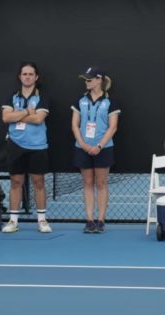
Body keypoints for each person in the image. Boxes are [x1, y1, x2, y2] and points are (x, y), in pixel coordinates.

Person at [0, 61, 52, 233]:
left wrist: (17, 116)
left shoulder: (42, 96)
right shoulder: (11, 96)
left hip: (37, 146)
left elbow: (38, 119)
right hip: (15, 145)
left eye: (31, 74)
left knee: (38, 182)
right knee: (16, 182)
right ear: (20, 77)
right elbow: (6, 118)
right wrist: (26, 112)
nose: (27, 77)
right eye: (24, 74)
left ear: (36, 77)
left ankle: (42, 220)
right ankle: (13, 221)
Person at [71, 66, 120, 233]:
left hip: (103, 148)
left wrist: (99, 146)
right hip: (82, 148)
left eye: (90, 79)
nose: (87, 82)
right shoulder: (80, 100)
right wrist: (84, 145)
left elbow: (112, 127)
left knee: (101, 183)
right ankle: (89, 219)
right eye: (85, 79)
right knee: (87, 183)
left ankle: (101, 220)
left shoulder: (110, 101)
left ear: (99, 80)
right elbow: (75, 125)